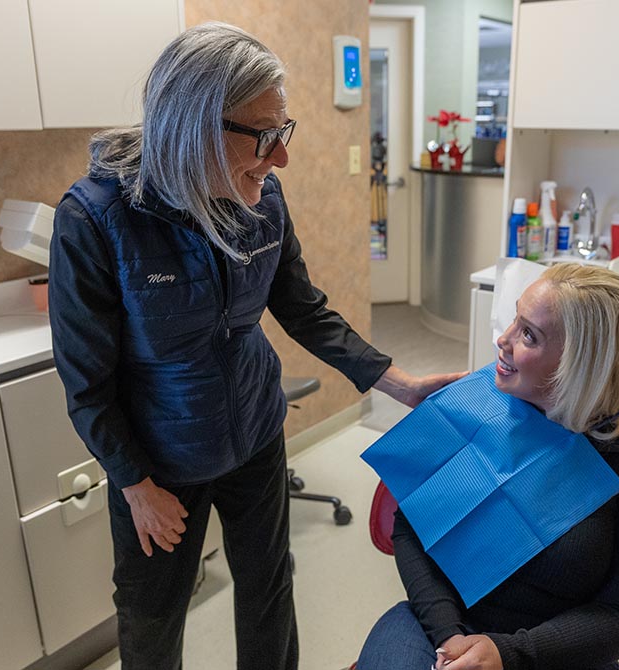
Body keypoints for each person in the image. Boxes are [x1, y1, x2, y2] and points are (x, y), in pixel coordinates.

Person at [47, 22, 463, 670]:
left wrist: (397, 382)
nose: (281, 158)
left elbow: (302, 308)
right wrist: (134, 484)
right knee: (152, 617)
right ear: (195, 127)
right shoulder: (96, 220)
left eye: (282, 131)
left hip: (254, 431)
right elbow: (87, 386)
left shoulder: (260, 196)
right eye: (266, 137)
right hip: (158, 460)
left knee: (269, 590)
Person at [357, 263, 619, 670]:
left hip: (557, 649)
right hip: (436, 624)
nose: (502, 341)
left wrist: (510, 654)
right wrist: (451, 635)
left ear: (581, 363)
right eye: (514, 321)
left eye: (528, 334)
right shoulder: (474, 406)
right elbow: (412, 528)